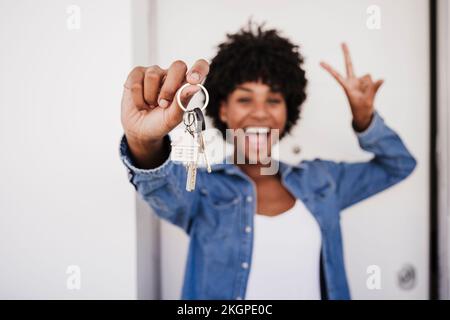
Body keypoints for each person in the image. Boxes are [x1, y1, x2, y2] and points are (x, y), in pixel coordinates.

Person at [119, 25, 416, 300]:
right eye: (245, 100)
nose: (260, 113)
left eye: (273, 100)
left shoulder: (323, 180)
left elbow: (398, 164)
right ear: (222, 109)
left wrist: (365, 120)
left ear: (289, 111)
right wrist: (143, 140)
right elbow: (158, 182)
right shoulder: (204, 189)